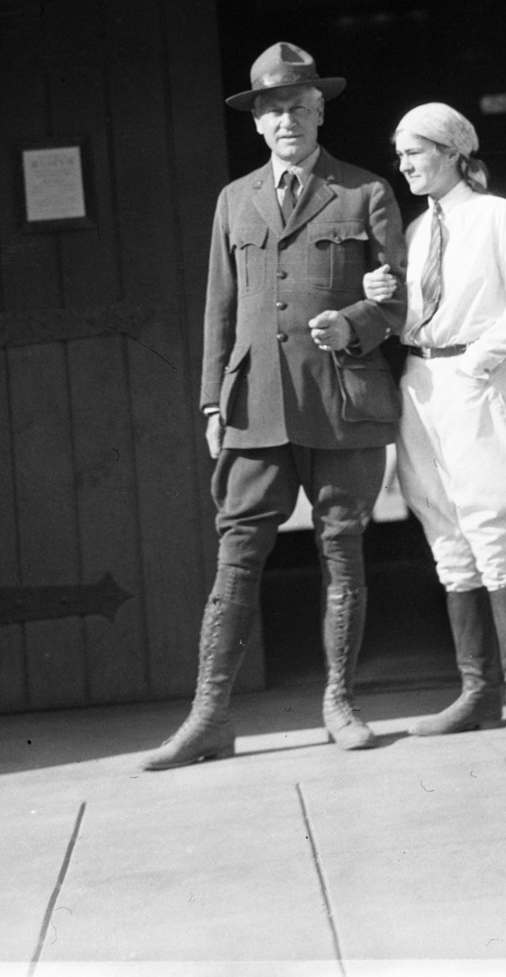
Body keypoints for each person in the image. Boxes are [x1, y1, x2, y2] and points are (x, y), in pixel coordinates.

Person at [143, 41, 407, 770]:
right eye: (271, 110)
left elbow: (404, 300)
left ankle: (340, 704)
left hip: (341, 401)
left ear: (319, 111)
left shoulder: (365, 192)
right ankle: (208, 716)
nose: (285, 120)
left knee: (341, 552)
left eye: (297, 106)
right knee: (237, 558)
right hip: (253, 403)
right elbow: (217, 312)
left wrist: (353, 324)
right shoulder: (235, 200)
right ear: (257, 124)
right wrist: (208, 405)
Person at [362, 102, 506, 741]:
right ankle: (476, 691)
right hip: (421, 385)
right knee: (445, 535)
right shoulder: (415, 233)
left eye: (413, 152)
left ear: (449, 152)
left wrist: (478, 363)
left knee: (492, 529)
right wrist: (386, 298)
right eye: (400, 154)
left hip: (474, 379)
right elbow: (411, 315)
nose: (404, 164)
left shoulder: (497, 216)